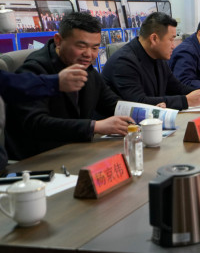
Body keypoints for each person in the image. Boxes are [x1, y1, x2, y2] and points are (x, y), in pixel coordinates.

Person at [5, 12, 132, 160]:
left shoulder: (86, 69)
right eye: (81, 46)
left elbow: (112, 104)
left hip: (77, 152)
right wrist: (95, 126)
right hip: (38, 159)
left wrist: (148, 113)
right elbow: (36, 123)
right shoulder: (34, 70)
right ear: (58, 41)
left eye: (95, 48)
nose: (89, 54)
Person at [102, 12, 200, 110]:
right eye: (171, 39)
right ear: (154, 39)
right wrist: (186, 101)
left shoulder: (157, 56)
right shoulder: (124, 62)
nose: (173, 46)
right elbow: (139, 103)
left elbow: (177, 88)